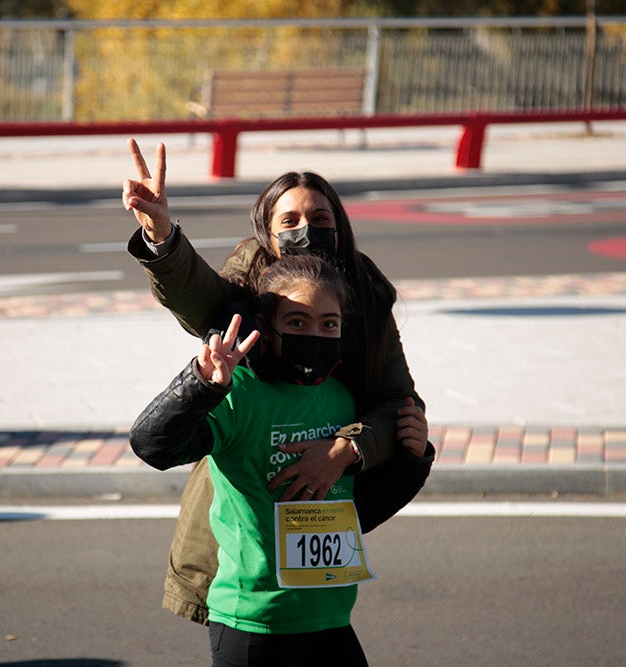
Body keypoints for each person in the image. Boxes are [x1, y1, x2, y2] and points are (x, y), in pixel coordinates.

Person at [123, 139, 432, 624]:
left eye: (321, 219)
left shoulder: (367, 294)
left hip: (325, 557)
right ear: (267, 236)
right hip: (244, 562)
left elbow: (399, 403)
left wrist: (347, 450)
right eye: (289, 221)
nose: (307, 230)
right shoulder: (247, 295)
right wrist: (162, 236)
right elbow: (199, 296)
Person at [132, 255, 427, 666]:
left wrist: (413, 457)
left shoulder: (343, 400)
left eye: (329, 323)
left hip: (331, 617)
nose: (315, 333)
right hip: (252, 624)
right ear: (266, 329)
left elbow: (360, 510)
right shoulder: (241, 395)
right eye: (296, 322)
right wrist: (201, 384)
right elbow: (153, 447)